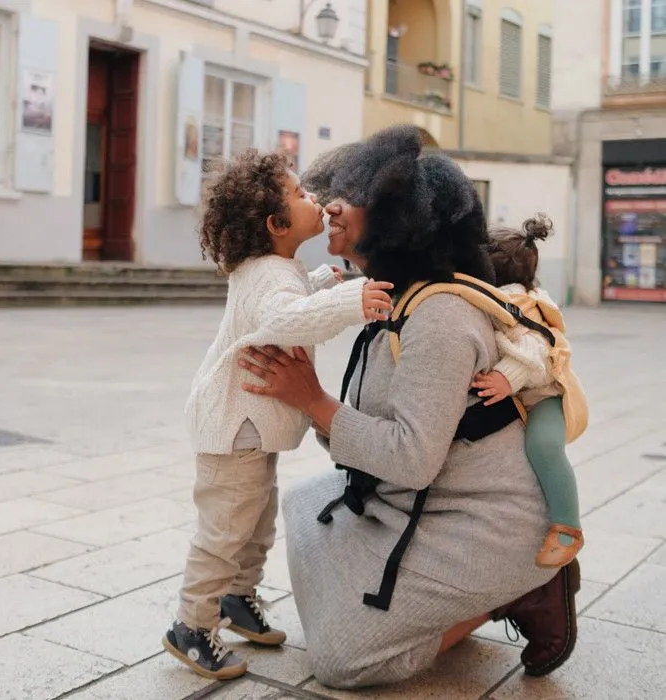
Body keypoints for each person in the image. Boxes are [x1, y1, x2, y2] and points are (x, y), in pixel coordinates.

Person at [239, 126, 581, 689]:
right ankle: (432, 607)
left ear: (400, 220)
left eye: (356, 196)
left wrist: (313, 400)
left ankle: (528, 587)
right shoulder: (393, 295)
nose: (331, 205)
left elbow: (411, 457)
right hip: (416, 501)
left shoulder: (441, 316)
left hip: (483, 522)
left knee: (341, 662)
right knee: (304, 508)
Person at [163, 148, 394, 681]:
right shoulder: (269, 274)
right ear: (276, 223)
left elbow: (289, 299)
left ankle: (238, 599)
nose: (315, 200)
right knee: (225, 532)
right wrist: (354, 297)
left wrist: (322, 286)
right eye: (301, 194)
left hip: (246, 431)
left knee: (255, 522)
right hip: (233, 429)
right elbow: (284, 319)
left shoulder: (271, 268)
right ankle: (191, 625)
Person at [471, 215, 585, 568]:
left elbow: (537, 351)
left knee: (544, 447)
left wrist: (506, 377)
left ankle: (568, 527)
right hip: (523, 397)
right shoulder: (498, 297)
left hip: (545, 395)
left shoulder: (517, 305)